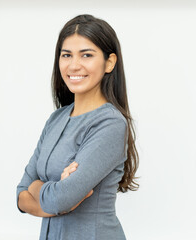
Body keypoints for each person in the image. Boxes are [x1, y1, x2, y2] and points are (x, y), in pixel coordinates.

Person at [16, 14, 139, 240]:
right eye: (66, 55)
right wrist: (54, 198)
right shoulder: (56, 119)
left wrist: (39, 189)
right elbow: (21, 196)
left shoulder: (110, 123)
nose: (74, 65)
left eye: (87, 55)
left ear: (109, 62)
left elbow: (59, 199)